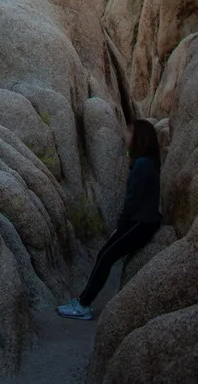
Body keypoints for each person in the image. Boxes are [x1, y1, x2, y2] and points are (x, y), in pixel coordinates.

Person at [57, 118, 162, 320]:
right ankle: (82, 302)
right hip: (144, 220)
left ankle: (83, 305)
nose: (125, 135)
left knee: (106, 257)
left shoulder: (142, 164)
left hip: (142, 223)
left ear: (139, 136)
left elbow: (132, 200)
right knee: (104, 254)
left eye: (129, 132)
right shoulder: (148, 161)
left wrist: (120, 227)